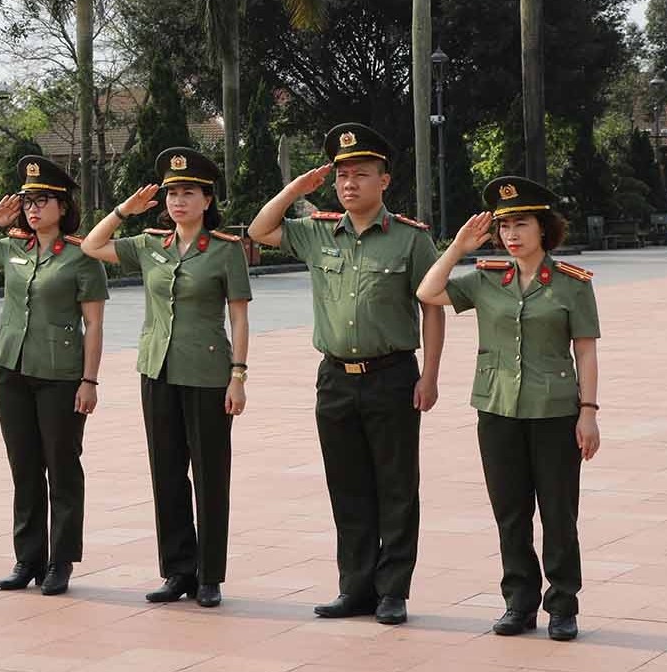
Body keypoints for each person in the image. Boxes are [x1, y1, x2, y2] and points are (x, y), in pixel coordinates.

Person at [248, 123, 445, 626]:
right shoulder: (318, 233)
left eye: (361, 174)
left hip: (393, 374)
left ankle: (392, 590)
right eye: (341, 176)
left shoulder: (409, 239)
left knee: (396, 485)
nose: (349, 184)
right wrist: (296, 190)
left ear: (385, 181)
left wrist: (432, 376)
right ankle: (354, 587)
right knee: (348, 486)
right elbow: (259, 231)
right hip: (335, 378)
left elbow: (433, 306)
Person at [416, 176, 601, 642]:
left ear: (544, 228)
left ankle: (563, 605)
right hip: (497, 410)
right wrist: (458, 246)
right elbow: (428, 292)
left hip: (555, 411)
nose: (511, 235)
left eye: (521, 224)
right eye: (504, 227)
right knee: (510, 512)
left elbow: (586, 351)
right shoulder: (485, 279)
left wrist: (589, 411)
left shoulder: (570, 285)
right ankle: (519, 601)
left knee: (559, 511)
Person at [84, 148, 250, 608]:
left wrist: (238, 375)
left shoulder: (224, 250)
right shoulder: (149, 244)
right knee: (167, 473)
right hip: (157, 372)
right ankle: (178, 570)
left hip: (208, 373)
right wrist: (123, 211)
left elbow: (238, 317)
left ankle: (210, 575)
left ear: (206, 198)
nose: (179, 201)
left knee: (211, 475)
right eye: (173, 193)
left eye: (188, 193)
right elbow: (92, 246)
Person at [0, 155, 108, 596]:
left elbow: (94, 324)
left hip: (61, 376)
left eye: (42, 200)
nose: (33, 209)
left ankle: (60, 561)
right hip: (13, 371)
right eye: (27, 201)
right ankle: (28, 558)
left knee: (61, 468)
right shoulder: (14, 247)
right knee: (23, 468)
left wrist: (90, 381)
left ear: (63, 206)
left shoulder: (82, 257)